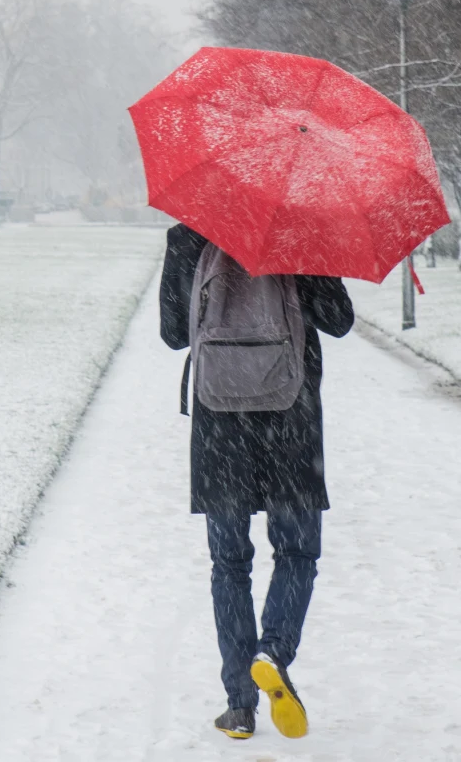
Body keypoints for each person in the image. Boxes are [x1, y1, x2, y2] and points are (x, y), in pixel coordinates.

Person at [159, 223, 355, 741]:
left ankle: (240, 706)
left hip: (220, 426)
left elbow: (174, 332)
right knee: (297, 552)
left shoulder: (188, 235)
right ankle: (274, 652)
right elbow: (338, 321)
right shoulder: (303, 233)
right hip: (292, 422)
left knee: (229, 564)